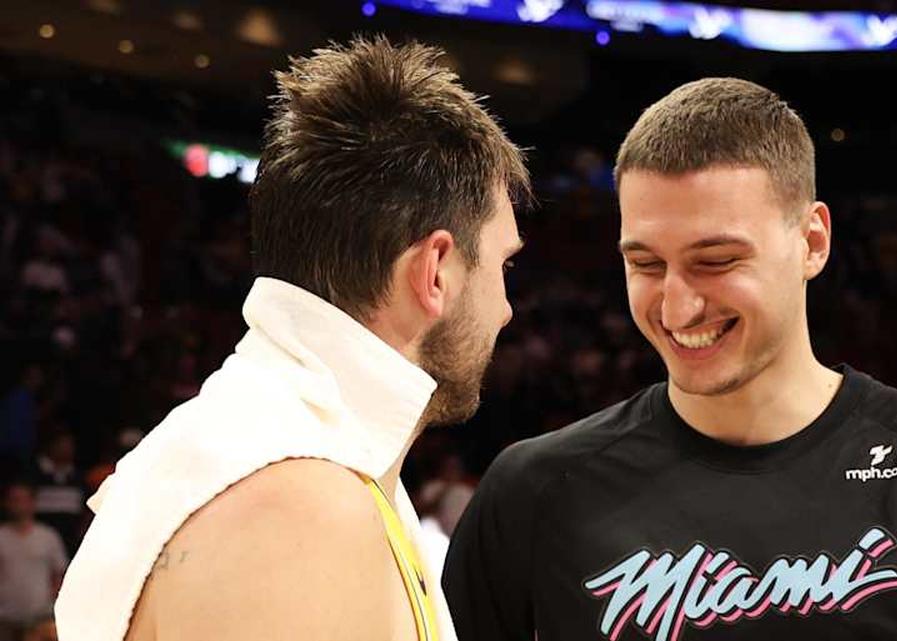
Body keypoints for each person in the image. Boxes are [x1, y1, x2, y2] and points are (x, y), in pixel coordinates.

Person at [442, 78, 897, 641]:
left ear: (812, 240)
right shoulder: (531, 493)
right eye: (645, 264)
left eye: (717, 261)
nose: (676, 306)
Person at [55, 36, 528, 641]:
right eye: (502, 267)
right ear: (435, 270)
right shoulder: (300, 506)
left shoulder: (289, 453)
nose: (508, 309)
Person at [0, 482, 68, 641]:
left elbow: (59, 573)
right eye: (14, 500)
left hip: (40, 618)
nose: (19, 505)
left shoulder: (47, 536)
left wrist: (54, 604)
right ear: (7, 503)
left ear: (33, 502)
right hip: (5, 619)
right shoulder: (1, 537)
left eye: (24, 499)